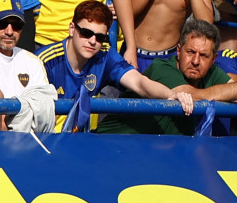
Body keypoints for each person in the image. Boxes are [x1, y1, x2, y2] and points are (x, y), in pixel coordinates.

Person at [39, 0, 194, 131]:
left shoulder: (105, 55)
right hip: (43, 138)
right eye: (86, 33)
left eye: (100, 37)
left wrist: (172, 95)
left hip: (78, 140)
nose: (93, 41)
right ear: (72, 29)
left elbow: (140, 83)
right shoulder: (45, 60)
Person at [98, 17, 237, 134]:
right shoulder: (162, 68)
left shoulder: (212, 71)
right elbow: (189, 95)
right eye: (190, 52)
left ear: (213, 59)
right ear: (178, 50)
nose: (195, 61)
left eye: (203, 56)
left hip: (156, 155)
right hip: (112, 144)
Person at [0, 0, 60, 134]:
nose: (9, 31)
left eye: (16, 25)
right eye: (2, 23)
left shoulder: (33, 62)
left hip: (30, 143)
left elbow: (48, 112)